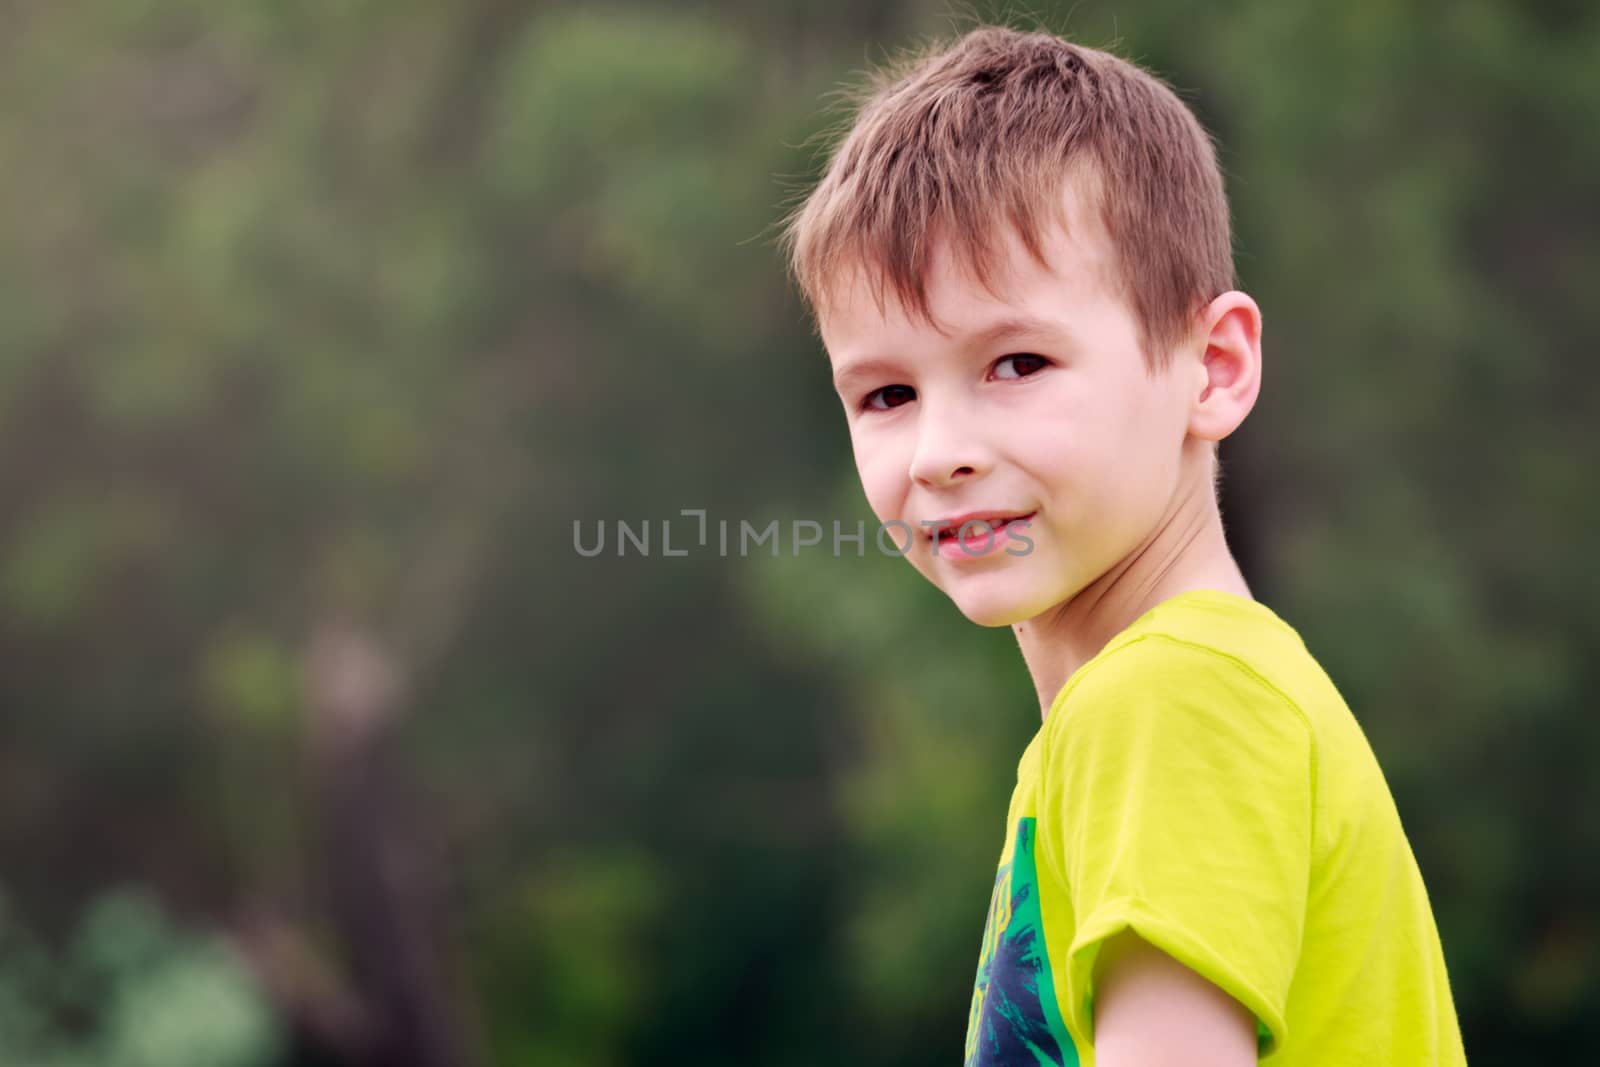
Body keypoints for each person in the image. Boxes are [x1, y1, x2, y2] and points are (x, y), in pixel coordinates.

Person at [778, 24, 1468, 1066]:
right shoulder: (1154, 710)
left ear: (1214, 365)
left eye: (1015, 362)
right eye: (886, 393)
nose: (940, 452)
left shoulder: (1171, 701)